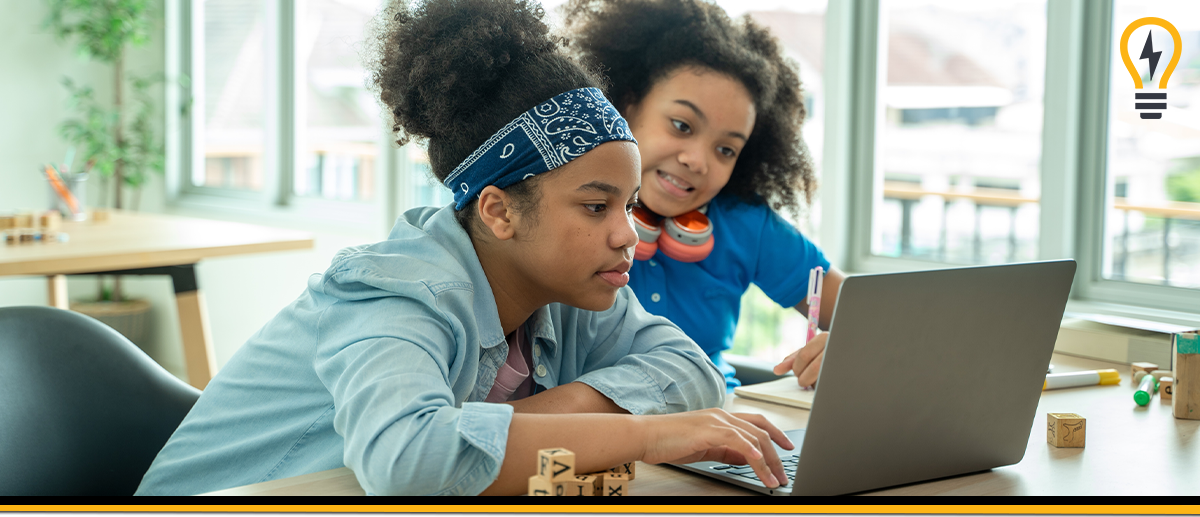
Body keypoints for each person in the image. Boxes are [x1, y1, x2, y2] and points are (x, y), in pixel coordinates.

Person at [135, 0, 795, 496]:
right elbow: (411, 459)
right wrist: (646, 432)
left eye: (626, 204)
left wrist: (504, 420)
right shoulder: (391, 290)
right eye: (596, 206)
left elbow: (689, 371)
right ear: (499, 210)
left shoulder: (572, 287)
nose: (626, 232)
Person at [564, 0, 846, 391]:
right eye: (682, 125)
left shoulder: (745, 221)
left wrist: (849, 347)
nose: (698, 161)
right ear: (626, 105)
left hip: (717, 421)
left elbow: (869, 316)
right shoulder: (558, 206)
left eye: (726, 149)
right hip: (596, 441)